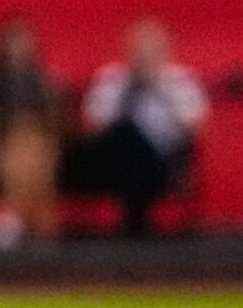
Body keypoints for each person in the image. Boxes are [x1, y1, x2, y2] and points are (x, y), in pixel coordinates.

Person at [75, 18, 208, 236]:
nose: (144, 56)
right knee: (125, 132)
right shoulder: (110, 79)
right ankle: (135, 216)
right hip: (111, 157)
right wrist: (128, 94)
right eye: (139, 49)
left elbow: (195, 130)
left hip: (164, 160)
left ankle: (134, 217)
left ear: (166, 49)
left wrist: (159, 90)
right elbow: (91, 128)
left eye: (152, 49)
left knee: (135, 138)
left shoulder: (182, 82)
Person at [0, 17, 64, 249]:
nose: (19, 47)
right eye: (13, 41)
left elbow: (57, 123)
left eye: (23, 40)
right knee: (21, 150)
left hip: (41, 147)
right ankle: (30, 226)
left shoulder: (44, 83)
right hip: (2, 147)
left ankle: (13, 220)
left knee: (34, 148)